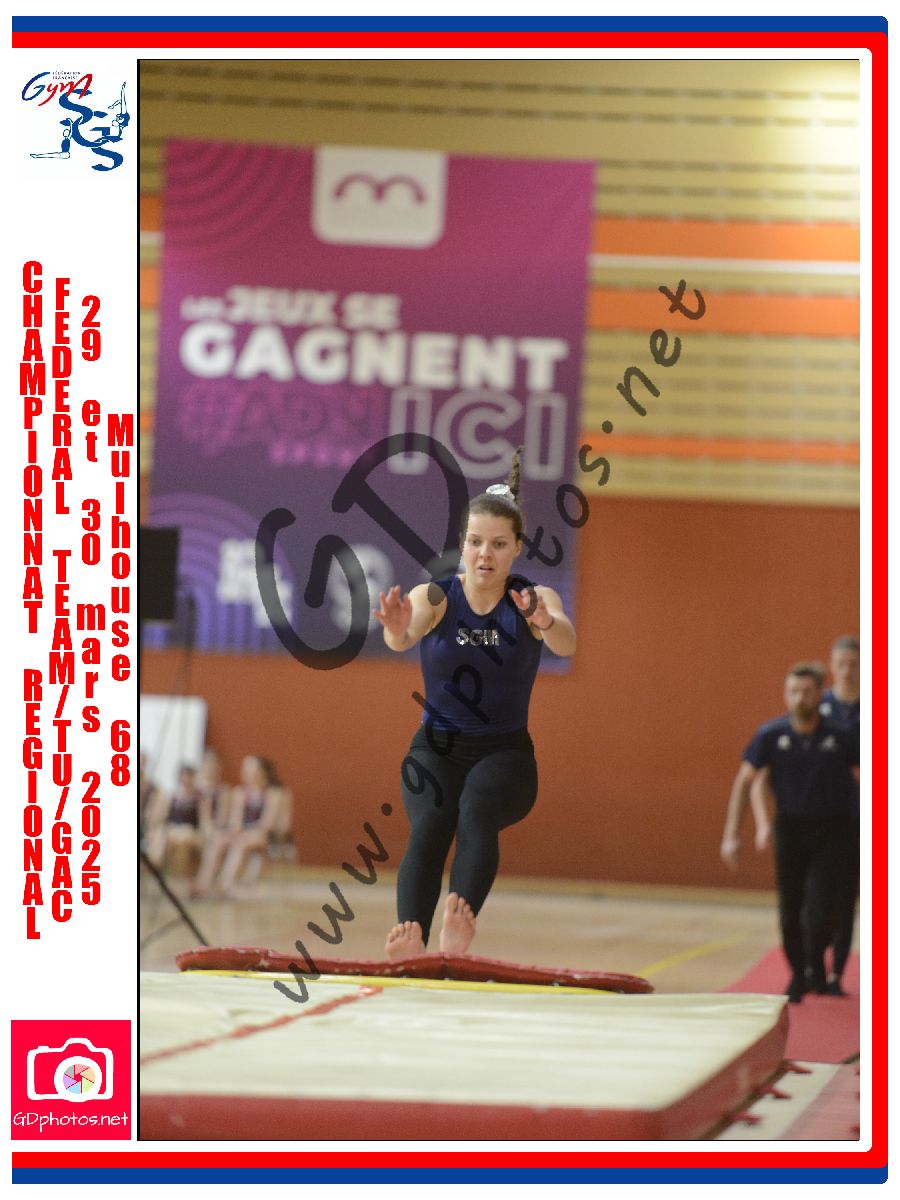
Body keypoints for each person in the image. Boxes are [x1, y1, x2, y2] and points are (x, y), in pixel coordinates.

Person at [372, 447, 576, 961]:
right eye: (475, 542)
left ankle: (459, 923)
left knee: (476, 807)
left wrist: (544, 621)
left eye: (498, 544)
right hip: (435, 749)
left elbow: (566, 640)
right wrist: (396, 629)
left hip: (505, 757)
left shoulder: (532, 599)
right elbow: (403, 636)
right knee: (431, 823)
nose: (485, 554)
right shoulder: (436, 597)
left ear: (516, 548)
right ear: (462, 543)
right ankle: (412, 935)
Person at [720, 663, 860, 1003]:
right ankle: (799, 973)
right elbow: (745, 782)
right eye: (794, 691)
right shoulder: (771, 735)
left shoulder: (842, 736)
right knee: (789, 909)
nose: (801, 698)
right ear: (786, 694)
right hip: (791, 830)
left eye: (808, 692)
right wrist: (732, 834)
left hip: (833, 830)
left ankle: (815, 963)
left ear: (820, 694)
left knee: (822, 908)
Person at [819, 636, 861, 995]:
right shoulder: (817, 708)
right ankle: (813, 963)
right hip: (822, 817)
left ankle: (838, 972)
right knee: (819, 895)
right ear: (832, 666)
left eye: (854, 664)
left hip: (860, 817)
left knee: (848, 895)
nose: (848, 671)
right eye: (842, 664)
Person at [191, 755, 282, 898]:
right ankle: (203, 883)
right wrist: (235, 830)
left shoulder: (272, 793)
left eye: (251, 769)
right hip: (242, 833)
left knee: (240, 843)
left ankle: (225, 884)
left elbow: (267, 824)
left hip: (262, 836)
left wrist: (245, 832)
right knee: (218, 840)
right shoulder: (240, 792)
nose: (246, 773)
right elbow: (236, 819)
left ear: (262, 772)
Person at [144, 764, 207, 869]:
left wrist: (205, 835)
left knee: (182, 839)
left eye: (188, 776)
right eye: (183, 776)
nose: (185, 779)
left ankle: (172, 870)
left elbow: (204, 820)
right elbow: (163, 817)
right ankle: (154, 863)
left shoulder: (199, 798)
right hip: (172, 829)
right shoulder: (172, 796)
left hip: (189, 830)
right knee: (161, 836)